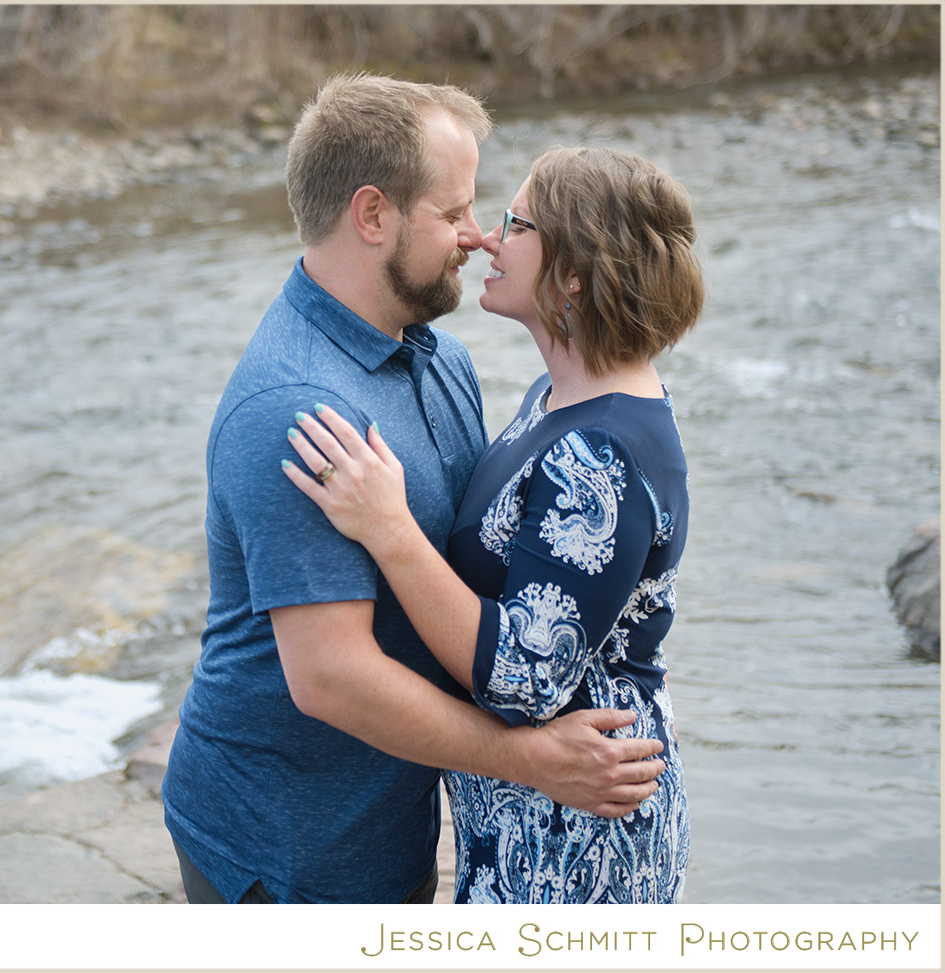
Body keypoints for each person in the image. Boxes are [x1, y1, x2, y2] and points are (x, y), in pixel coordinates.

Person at [161, 73, 667, 905]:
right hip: (287, 853)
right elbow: (329, 676)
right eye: (453, 211)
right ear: (372, 216)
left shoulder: (437, 356)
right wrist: (524, 758)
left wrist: (611, 646)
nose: (478, 236)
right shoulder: (299, 410)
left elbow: (498, 560)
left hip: (390, 824)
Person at [282, 145, 702, 902]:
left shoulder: (598, 451)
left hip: (577, 829)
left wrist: (389, 527)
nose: (486, 239)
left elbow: (523, 678)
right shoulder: (563, 392)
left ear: (573, 272)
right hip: (532, 812)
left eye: (517, 223)